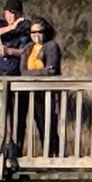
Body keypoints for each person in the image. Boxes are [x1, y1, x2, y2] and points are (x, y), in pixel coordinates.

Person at [0, 0, 29, 157]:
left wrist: (9, 51)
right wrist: (11, 27)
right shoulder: (0, 24)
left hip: (16, 78)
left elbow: (26, 51)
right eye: (9, 13)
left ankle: (14, 152)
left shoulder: (26, 28)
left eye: (15, 14)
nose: (11, 16)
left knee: (17, 118)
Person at [22, 17, 62, 156]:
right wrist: (37, 73)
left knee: (48, 125)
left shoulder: (51, 46)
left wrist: (33, 74)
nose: (36, 35)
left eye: (39, 32)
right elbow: (23, 71)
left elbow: (51, 70)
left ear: (45, 32)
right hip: (29, 92)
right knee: (35, 124)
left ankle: (53, 155)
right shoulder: (28, 48)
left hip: (47, 92)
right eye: (33, 32)